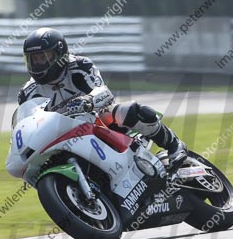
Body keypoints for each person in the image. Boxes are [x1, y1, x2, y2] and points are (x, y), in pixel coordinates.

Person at [16, 27, 187, 167]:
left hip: (97, 121)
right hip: (60, 138)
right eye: (33, 59)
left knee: (126, 110)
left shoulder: (80, 66)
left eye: (43, 57)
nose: (37, 64)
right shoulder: (27, 93)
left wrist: (88, 101)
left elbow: (104, 93)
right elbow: (26, 126)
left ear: (59, 54)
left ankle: (174, 145)